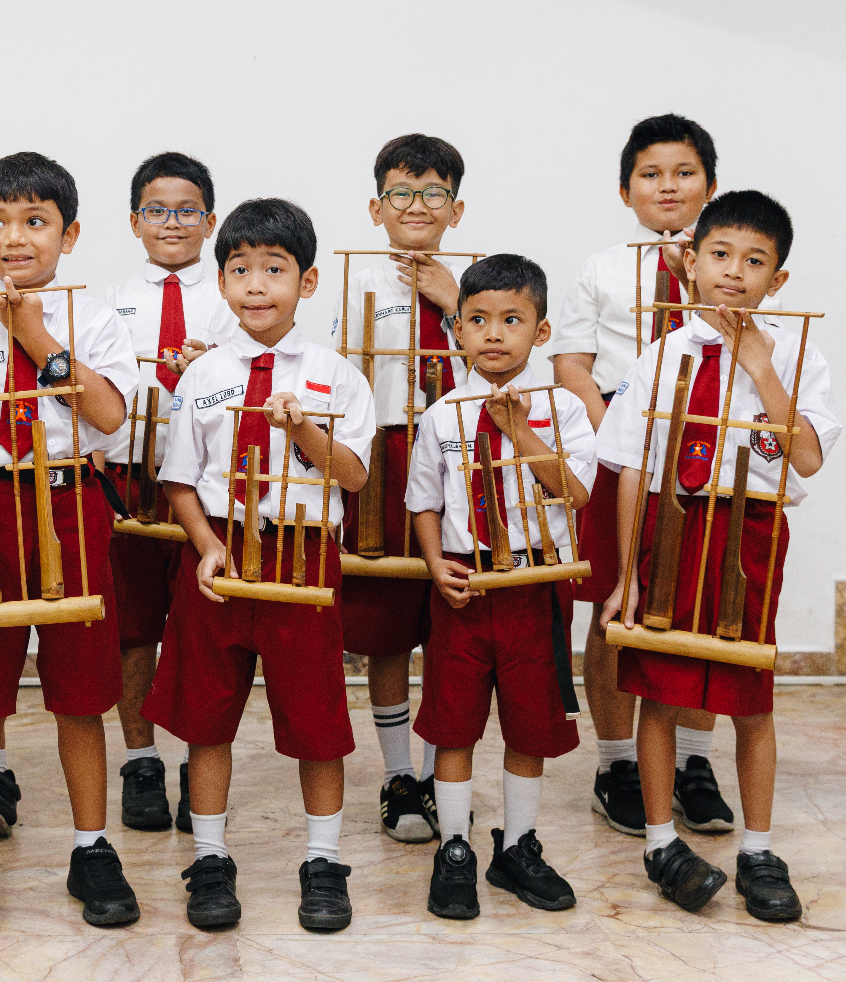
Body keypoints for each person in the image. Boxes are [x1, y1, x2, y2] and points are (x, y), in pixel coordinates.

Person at [0, 152, 141, 944]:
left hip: (72, 509)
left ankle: (91, 848)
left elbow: (111, 417)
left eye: (35, 221)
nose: (16, 238)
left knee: (81, 699)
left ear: (69, 233)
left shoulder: (99, 320)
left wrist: (33, 330)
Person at [600, 190, 839, 920]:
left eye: (755, 261)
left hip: (750, 535)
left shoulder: (797, 351)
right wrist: (628, 577)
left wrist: (761, 366)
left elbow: (805, 460)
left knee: (750, 699)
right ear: (693, 262)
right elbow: (635, 466)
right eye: (720, 255)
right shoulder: (663, 354)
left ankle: (759, 849)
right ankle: (661, 840)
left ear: (779, 279)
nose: (734, 272)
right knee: (661, 693)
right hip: (671, 532)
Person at [146, 198, 377, 931]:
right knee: (206, 715)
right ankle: (210, 856)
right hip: (219, 550)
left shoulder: (336, 375)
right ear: (220, 282)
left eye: (274, 270)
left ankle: (322, 859)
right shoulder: (205, 376)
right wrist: (206, 544)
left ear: (306, 283)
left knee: (315, 715)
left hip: (302, 553)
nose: (255, 285)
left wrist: (302, 426)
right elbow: (180, 481)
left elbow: (353, 476)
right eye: (239, 269)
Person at [551, 114, 734, 838]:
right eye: (651, 174)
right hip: (620, 464)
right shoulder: (602, 268)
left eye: (684, 173)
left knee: (702, 605)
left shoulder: (733, 261)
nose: (668, 186)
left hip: (710, 464)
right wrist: (620, 441)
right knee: (611, 610)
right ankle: (616, 762)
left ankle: (694, 762)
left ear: (710, 186)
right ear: (626, 189)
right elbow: (571, 363)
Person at [405, 254, 592, 919]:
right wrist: (433, 562)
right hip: (463, 584)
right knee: (453, 725)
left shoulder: (562, 408)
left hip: (535, 584)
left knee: (529, 723)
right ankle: (454, 848)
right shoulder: (443, 415)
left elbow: (575, 492)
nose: (493, 334)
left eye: (512, 320)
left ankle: (517, 847)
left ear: (540, 333)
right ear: (457, 330)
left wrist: (518, 430)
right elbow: (424, 501)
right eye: (478, 320)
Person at [332, 133, 472, 842]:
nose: (417, 206)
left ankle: (446, 770)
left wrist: (454, 305)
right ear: (376, 206)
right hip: (383, 457)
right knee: (387, 630)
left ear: (457, 208)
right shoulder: (352, 284)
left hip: (456, 458)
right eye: (401, 193)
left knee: (454, 622)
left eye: (434, 193)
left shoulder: (478, 285)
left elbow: (492, 378)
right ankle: (399, 777)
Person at [100, 151, 234, 832]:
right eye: (157, 210)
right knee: (134, 627)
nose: (172, 222)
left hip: (208, 485)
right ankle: (140, 759)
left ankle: (197, 758)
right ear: (134, 222)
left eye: (187, 210)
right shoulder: (110, 303)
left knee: (202, 627)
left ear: (209, 220)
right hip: (129, 476)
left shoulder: (235, 296)